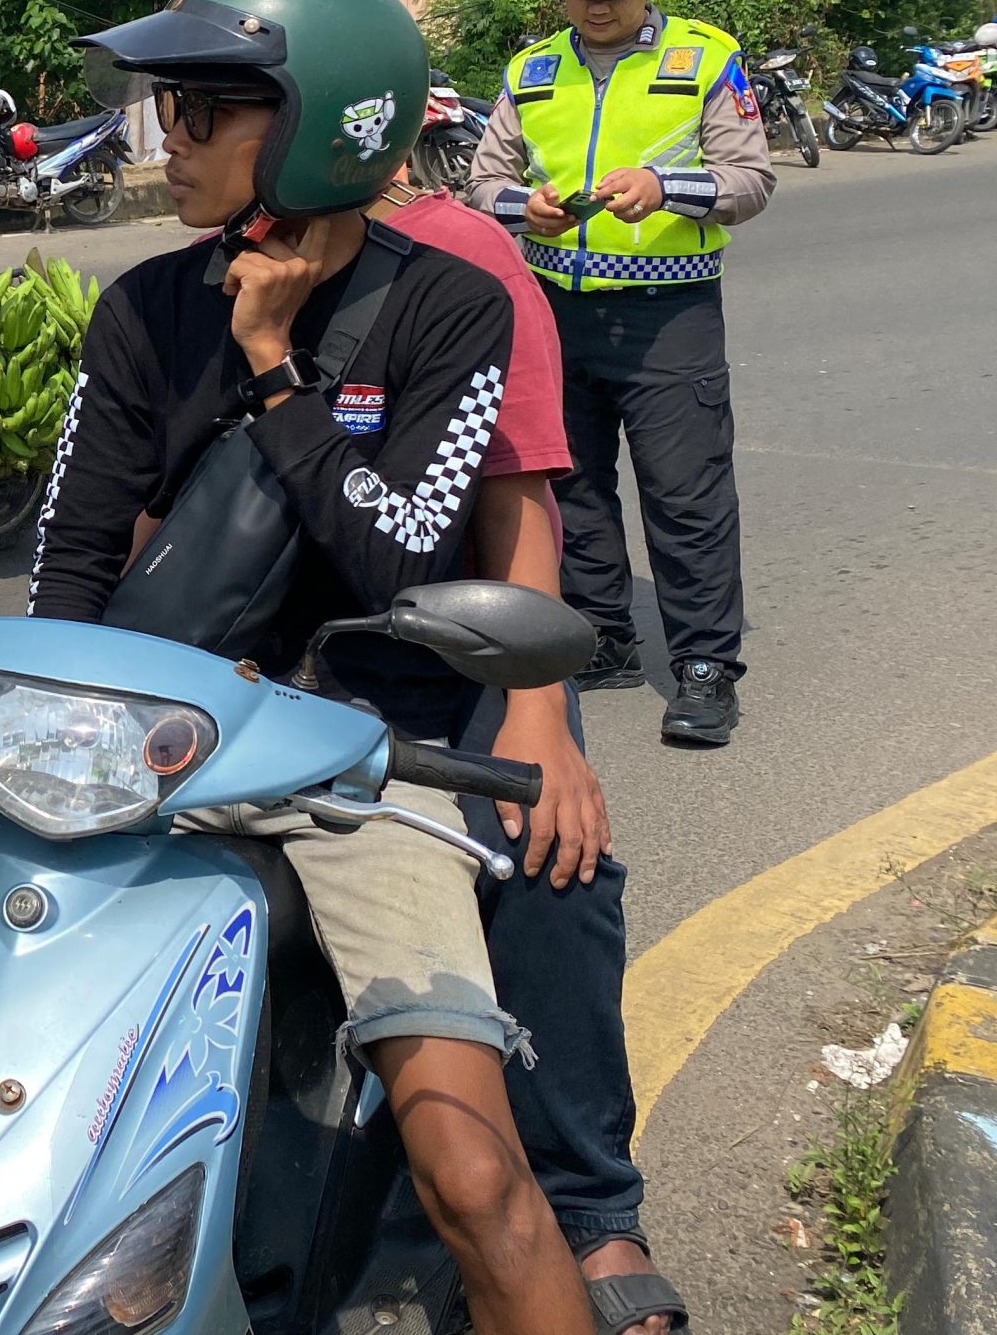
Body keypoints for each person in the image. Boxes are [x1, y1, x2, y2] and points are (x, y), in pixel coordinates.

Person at [30, 0, 593, 1335]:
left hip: (363, 766)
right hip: (156, 757)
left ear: (321, 123)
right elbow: (72, 560)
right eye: (169, 109)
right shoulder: (146, 310)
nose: (170, 143)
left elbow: (397, 549)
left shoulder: (447, 308)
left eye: (205, 114)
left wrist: (281, 370)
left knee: (473, 1177)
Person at [372, 160, 684, 1335]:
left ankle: (589, 1204)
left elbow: (519, 491)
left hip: (449, 643)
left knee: (548, 856)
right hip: (273, 663)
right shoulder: (195, 283)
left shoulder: (465, 258)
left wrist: (540, 714)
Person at [467, 0, 774, 746]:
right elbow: (480, 183)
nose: (599, 4)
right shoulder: (531, 73)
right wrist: (524, 207)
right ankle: (603, 634)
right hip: (553, 309)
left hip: (668, 312)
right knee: (573, 486)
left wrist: (663, 187)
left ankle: (706, 666)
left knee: (687, 495)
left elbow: (751, 180)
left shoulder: (705, 60)